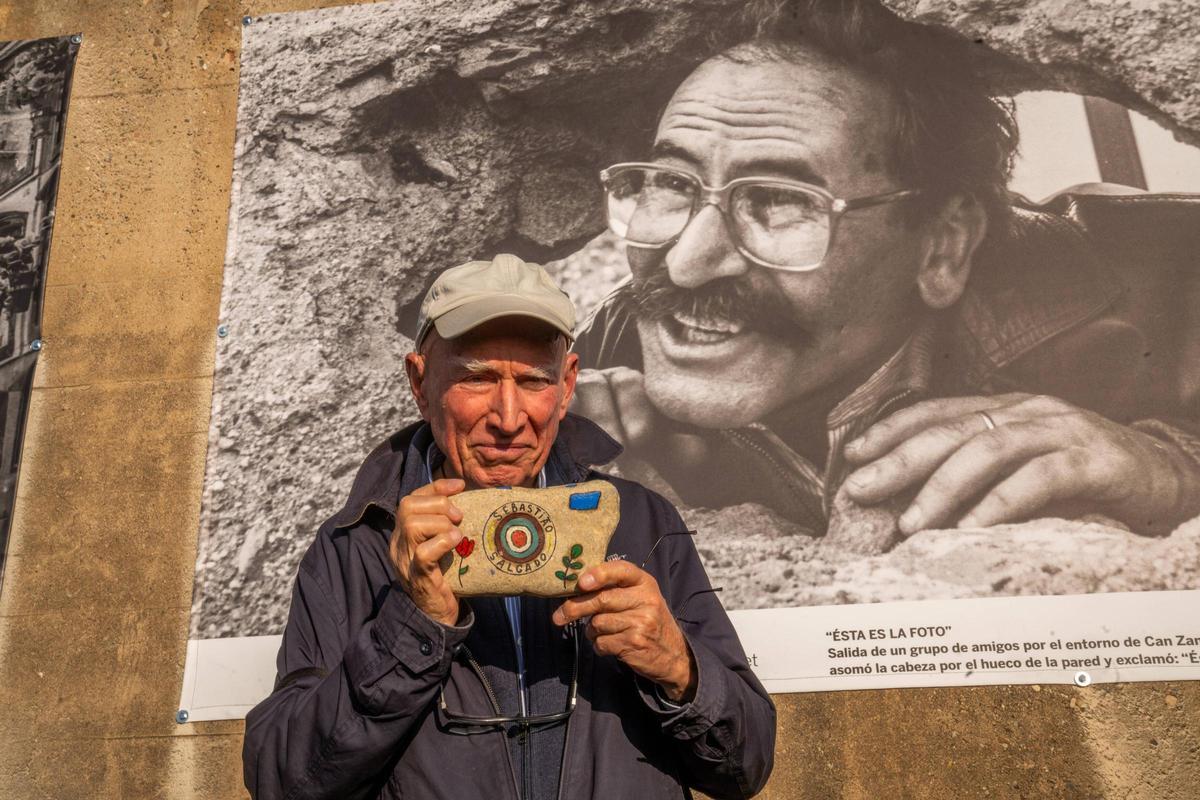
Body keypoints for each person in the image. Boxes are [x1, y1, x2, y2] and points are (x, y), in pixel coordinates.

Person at [572, 0, 1200, 538]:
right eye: (671, 183)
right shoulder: (615, 342)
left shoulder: (1168, 287)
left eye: (782, 200)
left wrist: (1171, 470)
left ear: (942, 247)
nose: (685, 266)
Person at [242, 253, 776, 800]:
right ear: (419, 383)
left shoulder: (642, 522)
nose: (508, 417)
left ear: (568, 386)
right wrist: (411, 625)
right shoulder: (354, 544)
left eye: (533, 380)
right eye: (477, 378)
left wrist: (680, 668)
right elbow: (284, 782)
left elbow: (746, 765)